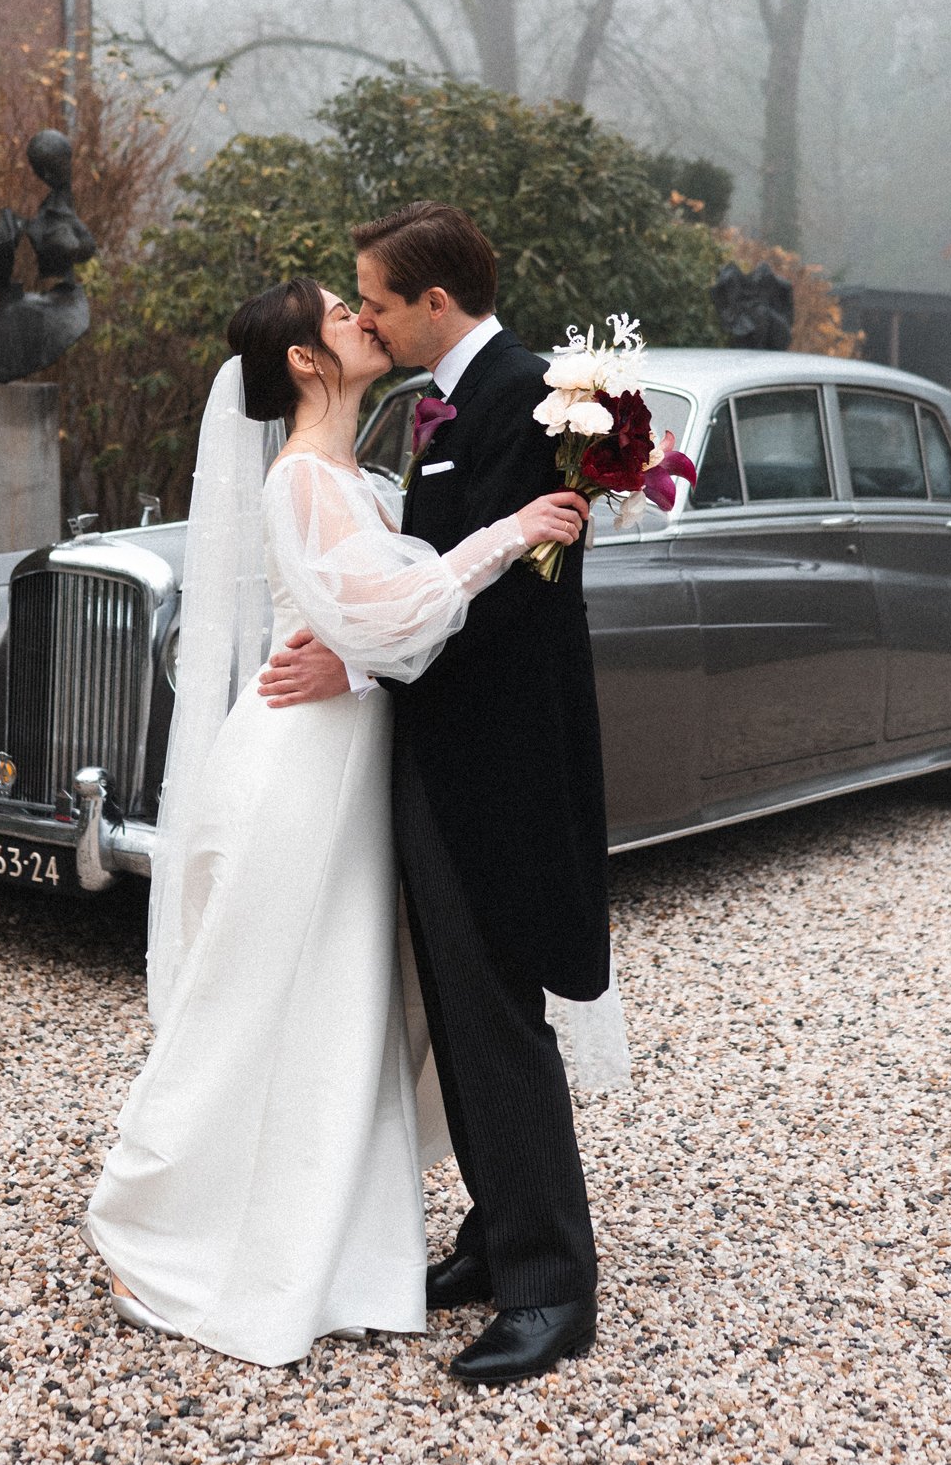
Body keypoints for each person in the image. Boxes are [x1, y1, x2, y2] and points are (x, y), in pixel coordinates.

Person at [85, 277, 588, 1369]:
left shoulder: (355, 472)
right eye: (341, 312)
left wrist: (355, 657)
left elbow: (371, 624)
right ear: (308, 362)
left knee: (339, 1009)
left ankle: (338, 1236)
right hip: (298, 776)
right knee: (260, 996)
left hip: (349, 763)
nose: (364, 319)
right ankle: (160, 1208)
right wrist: (507, 533)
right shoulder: (307, 476)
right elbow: (389, 610)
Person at [260, 204, 614, 1385]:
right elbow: (422, 580)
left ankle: (551, 1283)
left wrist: (355, 659)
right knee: (457, 1017)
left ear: (433, 304)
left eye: (371, 298)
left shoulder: (528, 397)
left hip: (497, 765)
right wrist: (359, 652)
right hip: (435, 750)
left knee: (497, 1013)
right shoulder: (438, 405)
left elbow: (516, 606)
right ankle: (494, 1229)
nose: (360, 315)